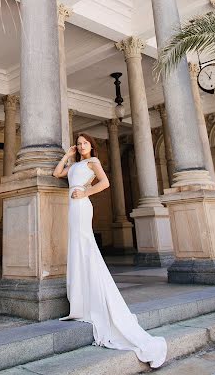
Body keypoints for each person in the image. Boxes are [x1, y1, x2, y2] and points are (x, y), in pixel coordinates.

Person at [53, 132, 167, 369]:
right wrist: (67, 154)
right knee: (76, 245)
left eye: (85, 143)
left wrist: (85, 192)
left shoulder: (92, 162)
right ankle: (80, 299)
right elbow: (57, 173)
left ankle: (92, 296)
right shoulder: (75, 163)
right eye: (79, 143)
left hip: (82, 205)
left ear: (91, 146)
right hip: (72, 206)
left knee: (85, 246)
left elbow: (105, 183)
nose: (82, 146)